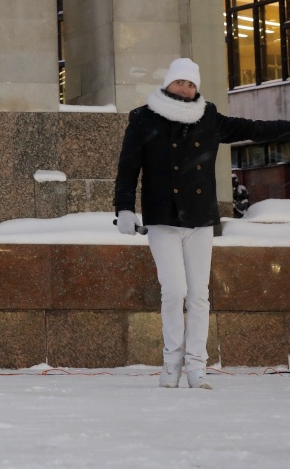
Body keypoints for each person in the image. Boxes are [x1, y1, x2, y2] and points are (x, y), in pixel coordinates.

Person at [114, 57, 290, 390]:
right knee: (174, 290)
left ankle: (197, 366)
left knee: (198, 295)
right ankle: (171, 364)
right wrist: (123, 207)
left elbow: (252, 129)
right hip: (163, 218)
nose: (185, 88)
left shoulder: (208, 117)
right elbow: (128, 167)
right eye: (179, 82)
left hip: (199, 218)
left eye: (191, 84)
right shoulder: (143, 118)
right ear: (168, 83)